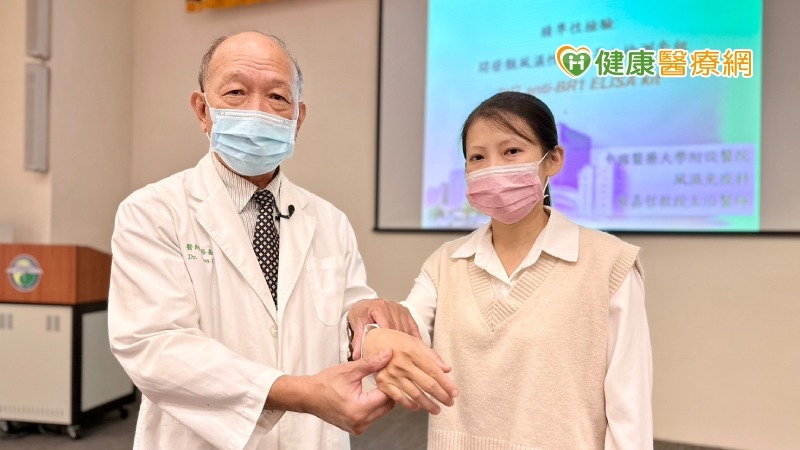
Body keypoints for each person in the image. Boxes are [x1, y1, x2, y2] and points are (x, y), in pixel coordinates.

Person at [107, 31, 449, 450]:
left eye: (277, 97)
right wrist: (296, 392)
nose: (258, 110)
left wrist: (369, 328)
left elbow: (345, 316)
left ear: (297, 119)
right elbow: (155, 345)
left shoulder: (330, 221)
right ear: (203, 110)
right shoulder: (153, 212)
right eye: (236, 92)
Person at [355, 91, 653, 449]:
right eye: (478, 157)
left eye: (512, 151)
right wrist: (374, 336)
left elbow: (629, 410)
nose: (494, 168)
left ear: (553, 159)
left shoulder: (609, 264)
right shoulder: (445, 263)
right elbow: (406, 332)